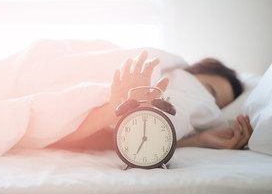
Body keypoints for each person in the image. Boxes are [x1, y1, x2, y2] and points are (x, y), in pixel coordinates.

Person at [49, 50, 253, 150]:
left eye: (218, 106)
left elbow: (109, 142)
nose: (209, 105)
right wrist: (116, 104)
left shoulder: (197, 124)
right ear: (194, 71)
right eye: (210, 90)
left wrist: (200, 140)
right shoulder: (168, 70)